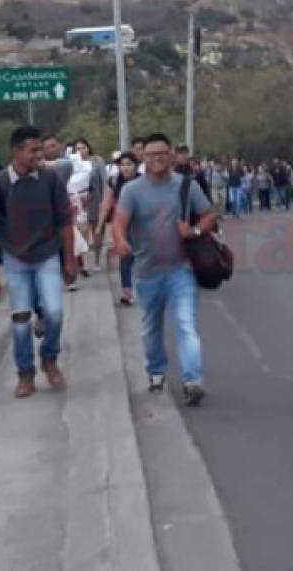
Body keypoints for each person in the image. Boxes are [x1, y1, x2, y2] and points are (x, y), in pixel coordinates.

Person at [113, 133, 218, 406]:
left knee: (186, 325)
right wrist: (121, 242)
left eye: (162, 153)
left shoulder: (186, 186)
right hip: (147, 272)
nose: (156, 159)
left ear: (171, 155)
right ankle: (156, 371)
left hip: (180, 268)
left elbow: (209, 214)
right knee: (151, 328)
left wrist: (194, 230)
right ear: (143, 158)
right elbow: (120, 222)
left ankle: (192, 380)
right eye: (150, 155)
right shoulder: (132, 190)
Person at [0, 125, 76, 399]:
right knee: (20, 320)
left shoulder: (50, 180)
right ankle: (25, 373)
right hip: (15, 259)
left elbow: (65, 222)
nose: (39, 154)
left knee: (55, 313)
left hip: (46, 255)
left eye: (40, 148)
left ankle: (49, 357)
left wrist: (69, 261)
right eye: (33, 149)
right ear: (16, 151)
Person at [96, 151, 139, 306]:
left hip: (141, 226)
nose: (126, 168)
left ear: (136, 166)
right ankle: (127, 292)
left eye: (129, 164)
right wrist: (100, 225)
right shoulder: (114, 181)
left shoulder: (143, 181)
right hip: (122, 225)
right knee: (125, 258)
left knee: (142, 259)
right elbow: (107, 203)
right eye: (123, 165)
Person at [69, 138, 108, 273]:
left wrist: (104, 199)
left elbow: (104, 180)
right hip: (79, 202)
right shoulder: (71, 163)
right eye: (77, 148)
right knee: (81, 231)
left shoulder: (97, 161)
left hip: (96, 199)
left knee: (98, 232)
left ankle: (97, 260)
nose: (80, 151)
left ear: (88, 148)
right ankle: (83, 262)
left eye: (83, 147)